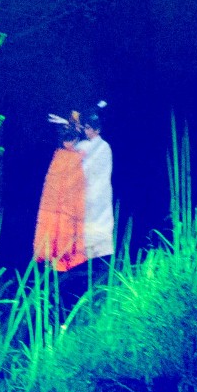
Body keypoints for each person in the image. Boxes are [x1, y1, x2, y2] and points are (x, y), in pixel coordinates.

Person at [32, 119, 87, 273]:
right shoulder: (60, 156)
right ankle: (53, 255)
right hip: (57, 197)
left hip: (71, 198)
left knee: (68, 221)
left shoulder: (77, 156)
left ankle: (67, 256)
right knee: (54, 220)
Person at [73, 104, 115, 267]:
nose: (86, 131)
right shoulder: (84, 145)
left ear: (97, 130)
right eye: (85, 128)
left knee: (98, 228)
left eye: (89, 128)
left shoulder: (103, 147)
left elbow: (94, 168)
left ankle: (99, 262)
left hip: (98, 193)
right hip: (86, 194)